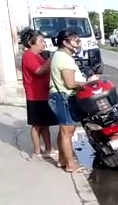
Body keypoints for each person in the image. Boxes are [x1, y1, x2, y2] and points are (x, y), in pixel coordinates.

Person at [49, 29, 96, 173]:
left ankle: (62, 160)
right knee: (67, 131)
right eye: (75, 40)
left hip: (60, 96)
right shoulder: (63, 58)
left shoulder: (60, 55)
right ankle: (70, 164)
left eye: (78, 40)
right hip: (63, 96)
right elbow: (69, 83)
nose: (78, 43)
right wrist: (87, 83)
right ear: (65, 42)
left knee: (64, 131)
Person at [20, 28, 58, 159]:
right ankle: (37, 151)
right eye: (41, 41)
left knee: (45, 123)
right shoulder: (28, 56)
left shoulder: (38, 56)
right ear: (31, 43)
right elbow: (38, 71)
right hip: (35, 95)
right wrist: (50, 61)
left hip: (43, 94)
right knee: (37, 125)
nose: (44, 44)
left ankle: (48, 148)